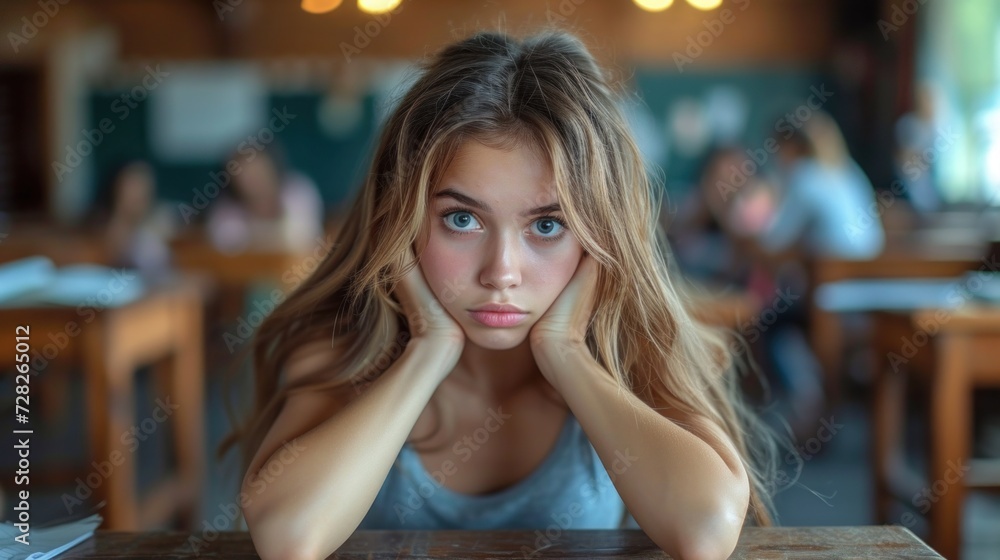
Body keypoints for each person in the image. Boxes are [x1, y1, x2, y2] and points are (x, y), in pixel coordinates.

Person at [221, 30, 778, 560]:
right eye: (462, 219)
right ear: (404, 222)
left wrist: (565, 353)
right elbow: (286, 536)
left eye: (547, 226)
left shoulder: (630, 355)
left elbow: (704, 532)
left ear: (601, 237)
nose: (501, 272)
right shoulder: (342, 350)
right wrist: (428, 350)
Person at [206, 146, 324, 253]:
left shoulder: (300, 190)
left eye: (259, 170)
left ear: (272, 167)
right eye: (246, 174)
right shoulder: (226, 209)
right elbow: (227, 245)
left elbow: (304, 237)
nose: (255, 179)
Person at [102, 160, 175, 276]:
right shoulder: (109, 226)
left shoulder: (163, 219)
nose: (137, 193)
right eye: (131, 187)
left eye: (142, 187)